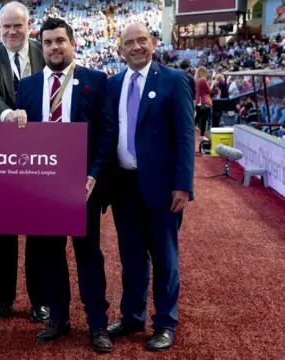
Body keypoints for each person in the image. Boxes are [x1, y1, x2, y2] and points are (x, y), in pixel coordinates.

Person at [5, 17, 117, 353]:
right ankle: (58, 317)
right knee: (49, 255)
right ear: (43, 46)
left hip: (83, 186)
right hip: (44, 189)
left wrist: (94, 173)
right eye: (49, 42)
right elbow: (18, 141)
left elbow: (107, 132)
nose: (55, 47)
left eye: (60, 41)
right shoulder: (26, 86)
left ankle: (97, 323)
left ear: (72, 43)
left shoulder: (96, 81)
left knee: (88, 255)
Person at [105, 22, 194, 352]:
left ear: (153, 43)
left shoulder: (174, 80)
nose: (136, 47)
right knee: (131, 258)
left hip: (162, 187)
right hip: (123, 187)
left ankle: (165, 322)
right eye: (129, 42)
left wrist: (183, 185)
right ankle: (132, 316)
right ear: (121, 49)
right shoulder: (113, 84)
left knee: (165, 258)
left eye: (142, 40)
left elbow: (186, 137)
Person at [0, 0, 49, 323]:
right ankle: (2, 299)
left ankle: (40, 300)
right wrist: (7, 115)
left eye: (17, 25)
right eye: (6, 26)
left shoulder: (45, 49)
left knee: (40, 231)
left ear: (28, 25)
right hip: (1, 155)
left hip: (42, 153)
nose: (11, 31)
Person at [195, 66, 213, 140]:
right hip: (204, 102)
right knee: (203, 119)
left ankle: (188, 132)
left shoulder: (196, 80)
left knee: (197, 118)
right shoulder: (203, 80)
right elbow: (209, 90)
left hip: (198, 102)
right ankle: (202, 135)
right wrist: (213, 83)